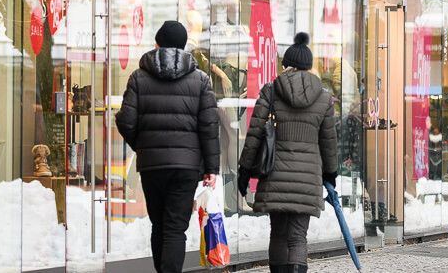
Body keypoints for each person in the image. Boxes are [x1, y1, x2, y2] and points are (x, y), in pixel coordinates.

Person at [115, 20, 220, 273]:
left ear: (157, 44)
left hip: (152, 166)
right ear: (184, 47)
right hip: (186, 167)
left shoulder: (138, 77)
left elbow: (126, 121)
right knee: (175, 228)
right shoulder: (201, 80)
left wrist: (144, 145)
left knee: (159, 225)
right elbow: (209, 127)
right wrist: (211, 168)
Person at [237, 33, 337, 273]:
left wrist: (245, 170)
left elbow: (255, 134)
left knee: (279, 234)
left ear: (287, 65)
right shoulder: (324, 98)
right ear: (309, 66)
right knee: (298, 236)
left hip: (276, 175)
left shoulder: (271, 92)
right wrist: (330, 174)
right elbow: (329, 143)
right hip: (307, 178)